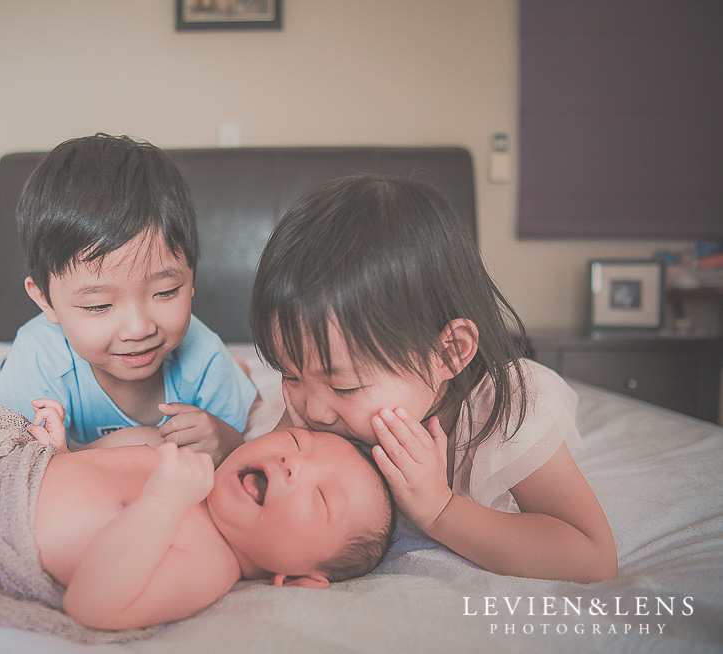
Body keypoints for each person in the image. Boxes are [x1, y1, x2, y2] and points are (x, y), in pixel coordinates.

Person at [249, 174, 618, 583]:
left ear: (449, 353)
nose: (312, 410)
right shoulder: (312, 403)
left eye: (345, 387)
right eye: (289, 374)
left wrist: (440, 509)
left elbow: (591, 556)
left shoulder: (504, 410)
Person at [0, 358, 395, 629]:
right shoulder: (191, 467)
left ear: (301, 579)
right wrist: (58, 454)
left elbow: (95, 605)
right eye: (294, 441)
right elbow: (103, 466)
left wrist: (162, 504)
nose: (292, 464)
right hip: (16, 468)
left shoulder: (209, 566)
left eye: (322, 498)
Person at [0, 134, 257, 464]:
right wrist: (120, 446)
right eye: (98, 306)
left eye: (165, 292)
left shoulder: (204, 356)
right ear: (45, 300)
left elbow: (241, 448)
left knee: (242, 385)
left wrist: (226, 440)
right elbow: (17, 464)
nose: (138, 329)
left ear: (191, 278)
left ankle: (240, 369)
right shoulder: (38, 356)